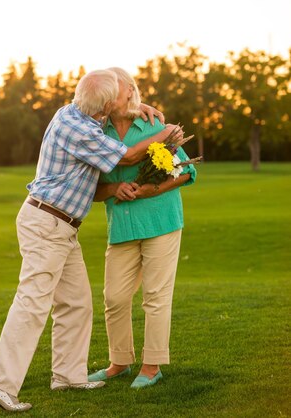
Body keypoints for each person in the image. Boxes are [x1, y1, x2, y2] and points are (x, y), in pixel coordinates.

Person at [0, 69, 182, 412]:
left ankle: (68, 375)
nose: (126, 97)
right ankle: (0, 383)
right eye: (121, 94)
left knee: (77, 303)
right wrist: (166, 133)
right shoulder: (80, 130)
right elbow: (128, 157)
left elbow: (113, 110)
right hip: (47, 223)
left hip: (63, 226)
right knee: (33, 302)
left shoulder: (73, 113)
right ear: (104, 105)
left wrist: (135, 104)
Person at [89, 67, 197, 389]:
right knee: (115, 297)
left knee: (155, 296)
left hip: (160, 221)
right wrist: (112, 190)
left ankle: (151, 367)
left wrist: (152, 189)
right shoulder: (98, 132)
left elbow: (185, 172)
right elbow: (91, 189)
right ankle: (119, 362)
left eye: (118, 90)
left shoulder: (153, 125)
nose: (114, 96)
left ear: (130, 91)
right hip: (121, 226)